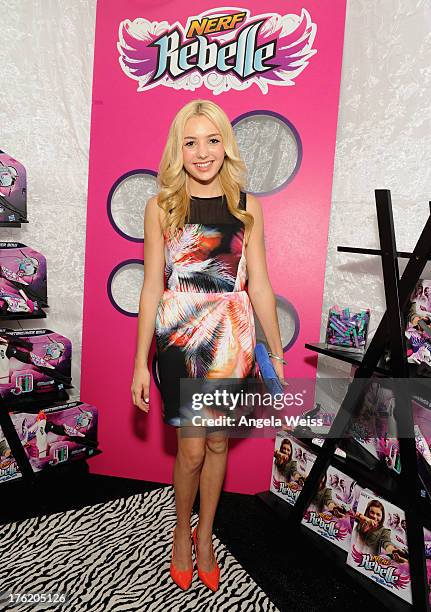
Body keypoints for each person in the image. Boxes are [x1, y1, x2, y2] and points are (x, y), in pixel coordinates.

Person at [131, 99, 285, 592]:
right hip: (179, 336)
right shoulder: (162, 207)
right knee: (192, 452)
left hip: (232, 339)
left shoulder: (246, 206)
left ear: (226, 144)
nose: (202, 152)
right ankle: (181, 531)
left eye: (212, 140)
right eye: (190, 142)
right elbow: (152, 286)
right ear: (178, 148)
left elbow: (259, 283)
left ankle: (205, 538)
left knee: (218, 442)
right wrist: (140, 363)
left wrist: (276, 353)